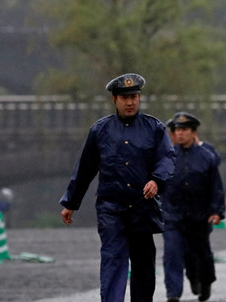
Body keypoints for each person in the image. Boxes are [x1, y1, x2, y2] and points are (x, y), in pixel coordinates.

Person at [60, 73, 175, 302]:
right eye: (124, 97)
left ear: (139, 98)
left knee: (143, 264)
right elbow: (85, 169)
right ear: (114, 100)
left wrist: (156, 180)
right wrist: (71, 202)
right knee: (113, 260)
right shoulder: (100, 131)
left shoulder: (154, 128)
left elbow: (167, 158)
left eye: (133, 96)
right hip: (111, 209)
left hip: (143, 208)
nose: (130, 102)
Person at [162, 111, 224, 302]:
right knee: (172, 253)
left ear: (193, 132)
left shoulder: (207, 157)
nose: (180, 133)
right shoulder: (167, 157)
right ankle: (173, 292)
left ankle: (204, 282)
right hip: (173, 216)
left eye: (184, 129)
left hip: (199, 216)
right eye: (177, 129)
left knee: (201, 254)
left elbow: (216, 187)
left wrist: (216, 211)